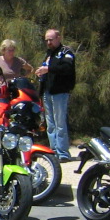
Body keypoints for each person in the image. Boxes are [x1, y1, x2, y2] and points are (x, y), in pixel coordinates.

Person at [35, 28, 76, 161]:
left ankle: (63, 153)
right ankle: (53, 152)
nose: (48, 42)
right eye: (46, 40)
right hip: (47, 92)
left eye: (51, 40)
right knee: (50, 124)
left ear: (58, 38)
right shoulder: (49, 54)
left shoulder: (66, 52)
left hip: (60, 92)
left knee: (60, 123)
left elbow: (67, 68)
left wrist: (48, 69)